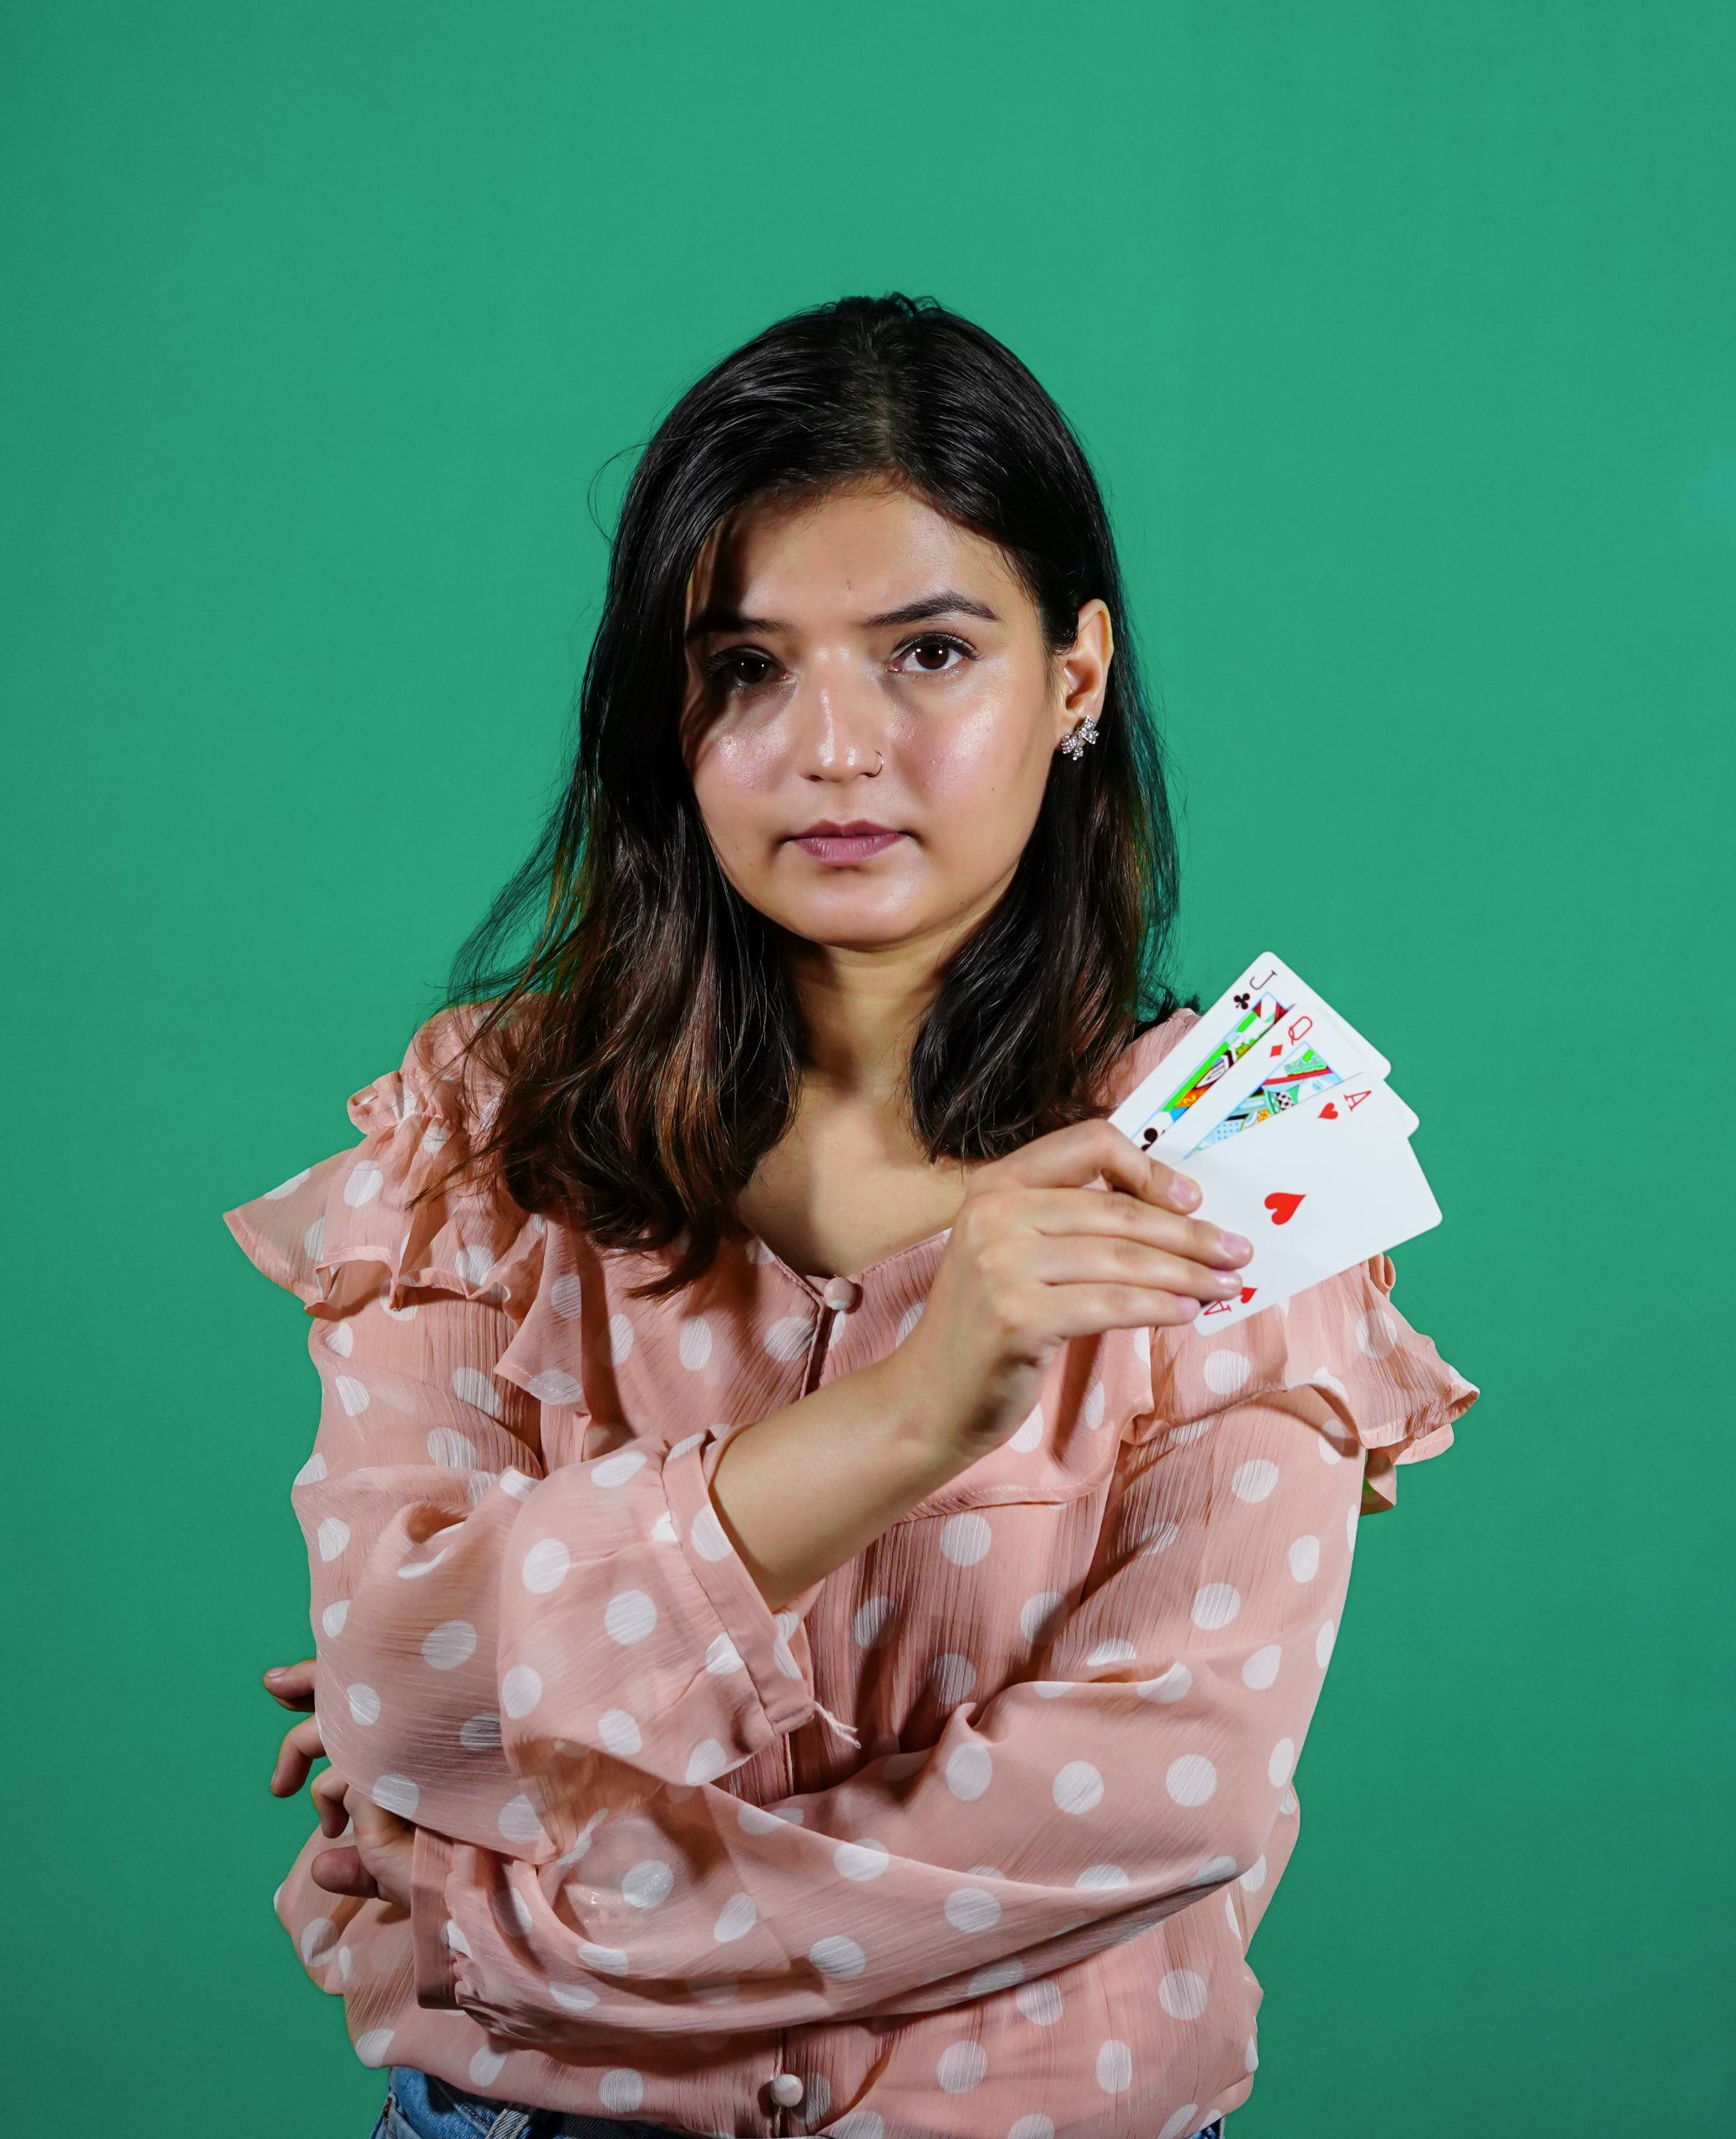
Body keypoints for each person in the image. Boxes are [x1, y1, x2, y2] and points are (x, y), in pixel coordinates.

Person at [226, 292, 1478, 2139]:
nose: (829, 747)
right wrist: (909, 1412)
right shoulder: (478, 1130)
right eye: (745, 666)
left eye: (926, 651)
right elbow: (409, 1689)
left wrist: (524, 1890)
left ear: (1073, 679)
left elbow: (1172, 1792)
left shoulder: (1232, 1149)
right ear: (667, 712)